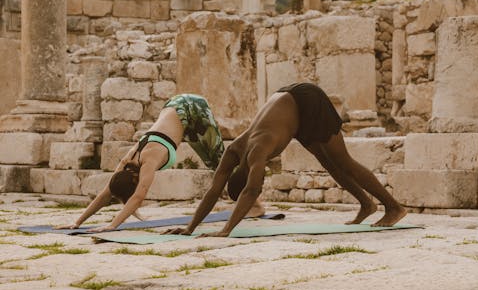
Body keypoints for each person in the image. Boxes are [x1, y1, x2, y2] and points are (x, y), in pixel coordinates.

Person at [163, 82, 407, 237]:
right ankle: (366, 205)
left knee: (342, 161)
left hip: (306, 100)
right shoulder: (233, 151)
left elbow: (251, 191)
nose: (257, 191)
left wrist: (226, 230)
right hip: (290, 111)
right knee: (327, 163)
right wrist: (189, 228)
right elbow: (214, 189)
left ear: (247, 176)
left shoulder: (257, 152)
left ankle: (393, 207)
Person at [56, 94, 266, 232]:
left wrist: (112, 226)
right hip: (175, 107)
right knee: (216, 164)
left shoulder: (148, 160)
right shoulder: (127, 160)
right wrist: (77, 222)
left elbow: (138, 196)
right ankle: (250, 201)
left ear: (136, 179)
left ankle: (255, 205)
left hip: (191, 107)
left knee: (221, 162)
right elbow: (105, 193)